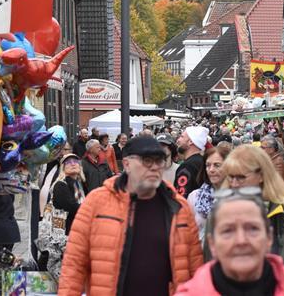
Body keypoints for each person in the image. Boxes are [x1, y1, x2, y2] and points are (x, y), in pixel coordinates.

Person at [57, 135, 203, 295]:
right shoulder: (97, 202)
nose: (155, 167)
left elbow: (194, 269)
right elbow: (73, 265)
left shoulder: (178, 207)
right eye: (147, 161)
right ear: (126, 164)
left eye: (159, 161)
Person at [205, 144, 284, 280]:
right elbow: (209, 265)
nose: (234, 184)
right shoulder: (218, 213)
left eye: (241, 177)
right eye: (230, 177)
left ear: (261, 176)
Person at [175, 191, 284, 296]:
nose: (241, 240)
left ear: (269, 238)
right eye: (228, 231)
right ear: (212, 244)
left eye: (252, 229)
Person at [187, 143, 231, 241]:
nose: (211, 170)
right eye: (208, 165)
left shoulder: (237, 198)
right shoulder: (195, 197)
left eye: (217, 165)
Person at [51, 153, 87, 234]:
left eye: (76, 161)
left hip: (77, 228)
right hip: (65, 231)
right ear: (63, 168)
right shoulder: (60, 184)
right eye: (68, 162)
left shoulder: (78, 184)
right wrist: (91, 209)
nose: (73, 164)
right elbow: (70, 206)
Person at [175, 126, 208, 197]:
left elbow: (180, 198)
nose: (178, 140)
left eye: (182, 137)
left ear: (191, 141)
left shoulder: (187, 167)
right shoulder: (203, 162)